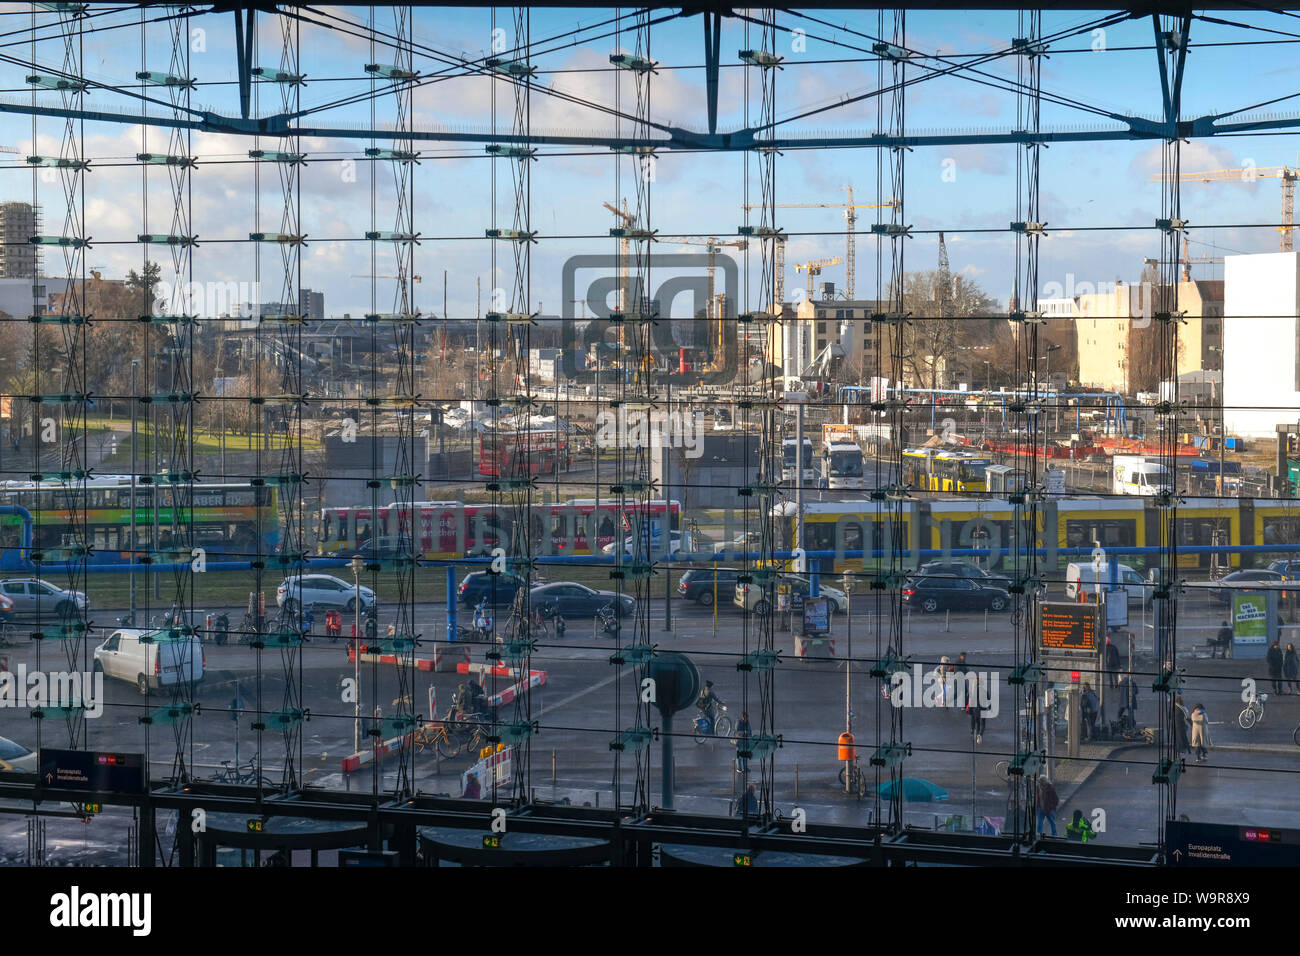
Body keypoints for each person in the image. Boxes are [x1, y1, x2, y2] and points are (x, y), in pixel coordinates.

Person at [966, 672, 984, 744]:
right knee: (980, 722)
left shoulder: (972, 689)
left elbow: (969, 696)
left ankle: (972, 729)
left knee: (973, 719)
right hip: (982, 708)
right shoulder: (983, 690)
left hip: (974, 708)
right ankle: (979, 734)